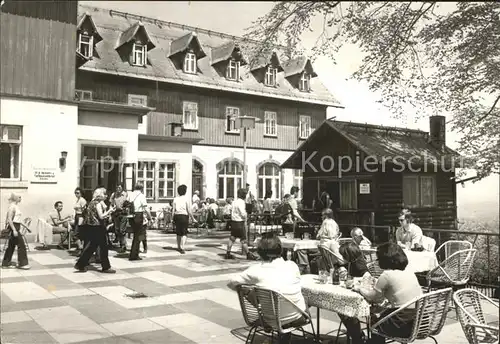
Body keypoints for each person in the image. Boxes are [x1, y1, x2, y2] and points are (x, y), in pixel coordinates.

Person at [227, 232, 307, 341]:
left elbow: (231, 282)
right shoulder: (292, 266)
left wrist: (251, 295)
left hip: (270, 319)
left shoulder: (255, 270)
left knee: (247, 289)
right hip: (297, 316)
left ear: (260, 252)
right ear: (280, 250)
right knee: (298, 295)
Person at [343, 242, 423, 344]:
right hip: (421, 320)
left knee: (375, 320)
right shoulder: (409, 271)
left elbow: (374, 298)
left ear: (384, 259)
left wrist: (359, 289)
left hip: (403, 324)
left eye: (378, 258)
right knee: (382, 313)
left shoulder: (387, 275)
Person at [74, 188, 116, 273]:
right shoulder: (97, 203)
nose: (106, 196)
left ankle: (80, 264)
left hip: (91, 227)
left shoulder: (92, 202)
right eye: (104, 194)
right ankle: (106, 267)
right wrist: (110, 211)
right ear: (100, 195)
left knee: (91, 247)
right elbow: (101, 216)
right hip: (98, 227)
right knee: (104, 247)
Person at [2, 193, 30, 269]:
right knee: (21, 245)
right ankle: (23, 263)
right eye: (19, 197)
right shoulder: (12, 207)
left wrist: (26, 227)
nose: (21, 198)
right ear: (15, 198)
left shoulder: (16, 206)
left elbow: (18, 220)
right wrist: (14, 230)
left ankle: (6, 263)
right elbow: (10, 220)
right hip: (13, 227)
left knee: (11, 246)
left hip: (16, 226)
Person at [226, 188, 254, 260]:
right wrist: (246, 215)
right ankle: (248, 254)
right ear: (243, 195)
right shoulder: (241, 202)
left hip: (233, 222)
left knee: (232, 238)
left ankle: (228, 253)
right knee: (243, 239)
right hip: (240, 222)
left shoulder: (234, 202)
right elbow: (242, 213)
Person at [127, 183, 151, 261]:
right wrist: (150, 217)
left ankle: (135, 252)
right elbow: (146, 208)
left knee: (136, 235)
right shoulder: (141, 195)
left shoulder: (130, 194)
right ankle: (134, 255)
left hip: (131, 216)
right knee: (138, 235)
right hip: (138, 215)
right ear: (142, 188)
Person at [172, 184, 197, 254]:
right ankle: (182, 247)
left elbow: (173, 210)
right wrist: (193, 218)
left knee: (178, 232)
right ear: (185, 191)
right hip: (184, 216)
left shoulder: (175, 199)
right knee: (184, 232)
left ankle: (178, 246)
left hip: (177, 216)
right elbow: (189, 210)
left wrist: (172, 218)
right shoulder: (187, 199)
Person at [110, 184, 128, 253]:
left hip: (123, 213)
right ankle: (121, 244)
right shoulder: (114, 195)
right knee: (117, 230)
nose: (118, 189)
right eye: (117, 187)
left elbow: (129, 203)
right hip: (116, 213)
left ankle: (123, 246)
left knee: (122, 230)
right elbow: (111, 204)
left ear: (122, 188)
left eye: (120, 187)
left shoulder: (125, 195)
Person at [72, 187, 87, 254]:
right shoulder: (78, 200)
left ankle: (81, 247)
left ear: (81, 193)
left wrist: (82, 219)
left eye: (78, 193)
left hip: (80, 216)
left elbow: (84, 210)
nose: (76, 194)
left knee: (76, 234)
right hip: (77, 216)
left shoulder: (82, 200)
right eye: (75, 193)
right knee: (78, 234)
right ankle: (81, 250)